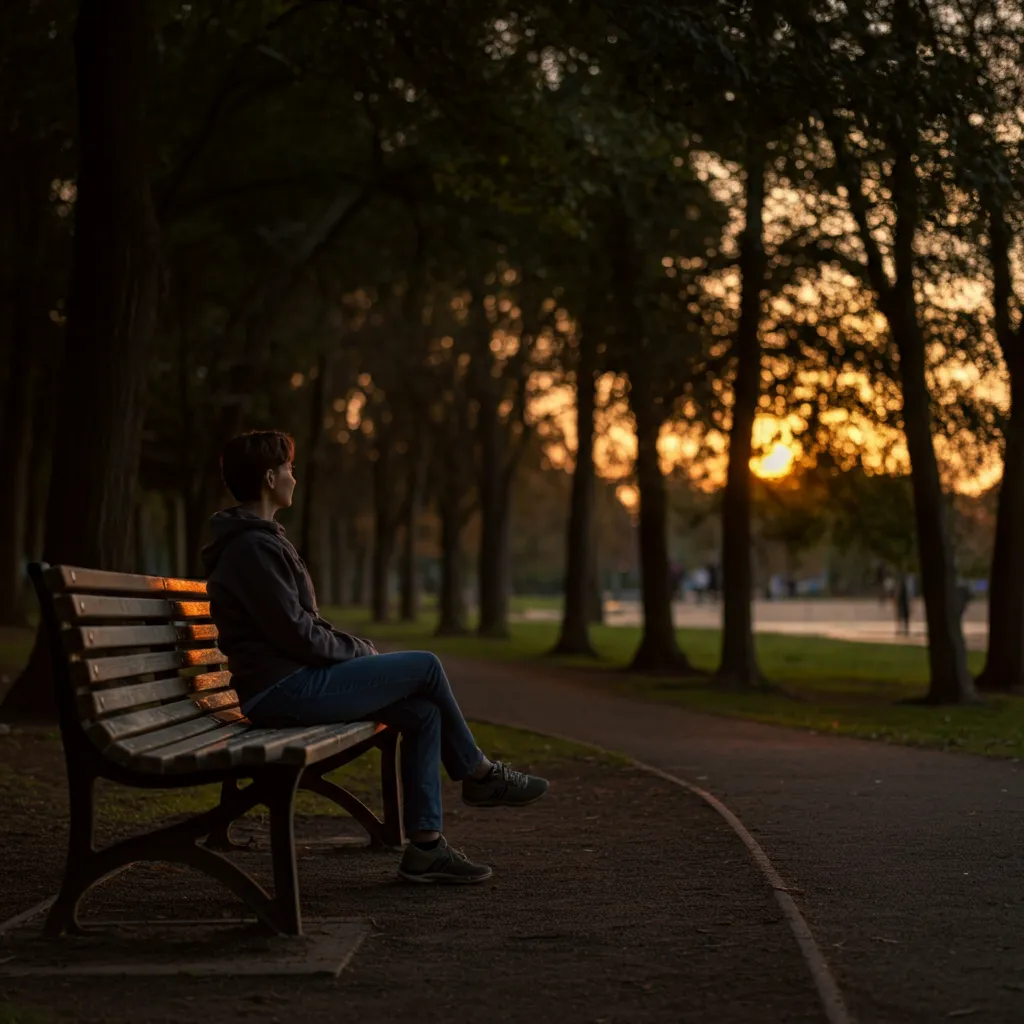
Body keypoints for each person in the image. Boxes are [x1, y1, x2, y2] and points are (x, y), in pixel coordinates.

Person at [202, 430, 548, 885]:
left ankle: (425, 848)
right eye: (288, 469)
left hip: (292, 681)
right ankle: (478, 773)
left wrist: (354, 649)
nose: (294, 477)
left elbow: (304, 626)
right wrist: (358, 650)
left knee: (423, 713)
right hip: (281, 691)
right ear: (270, 478)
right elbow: (298, 635)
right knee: (426, 665)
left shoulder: (262, 541)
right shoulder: (252, 548)